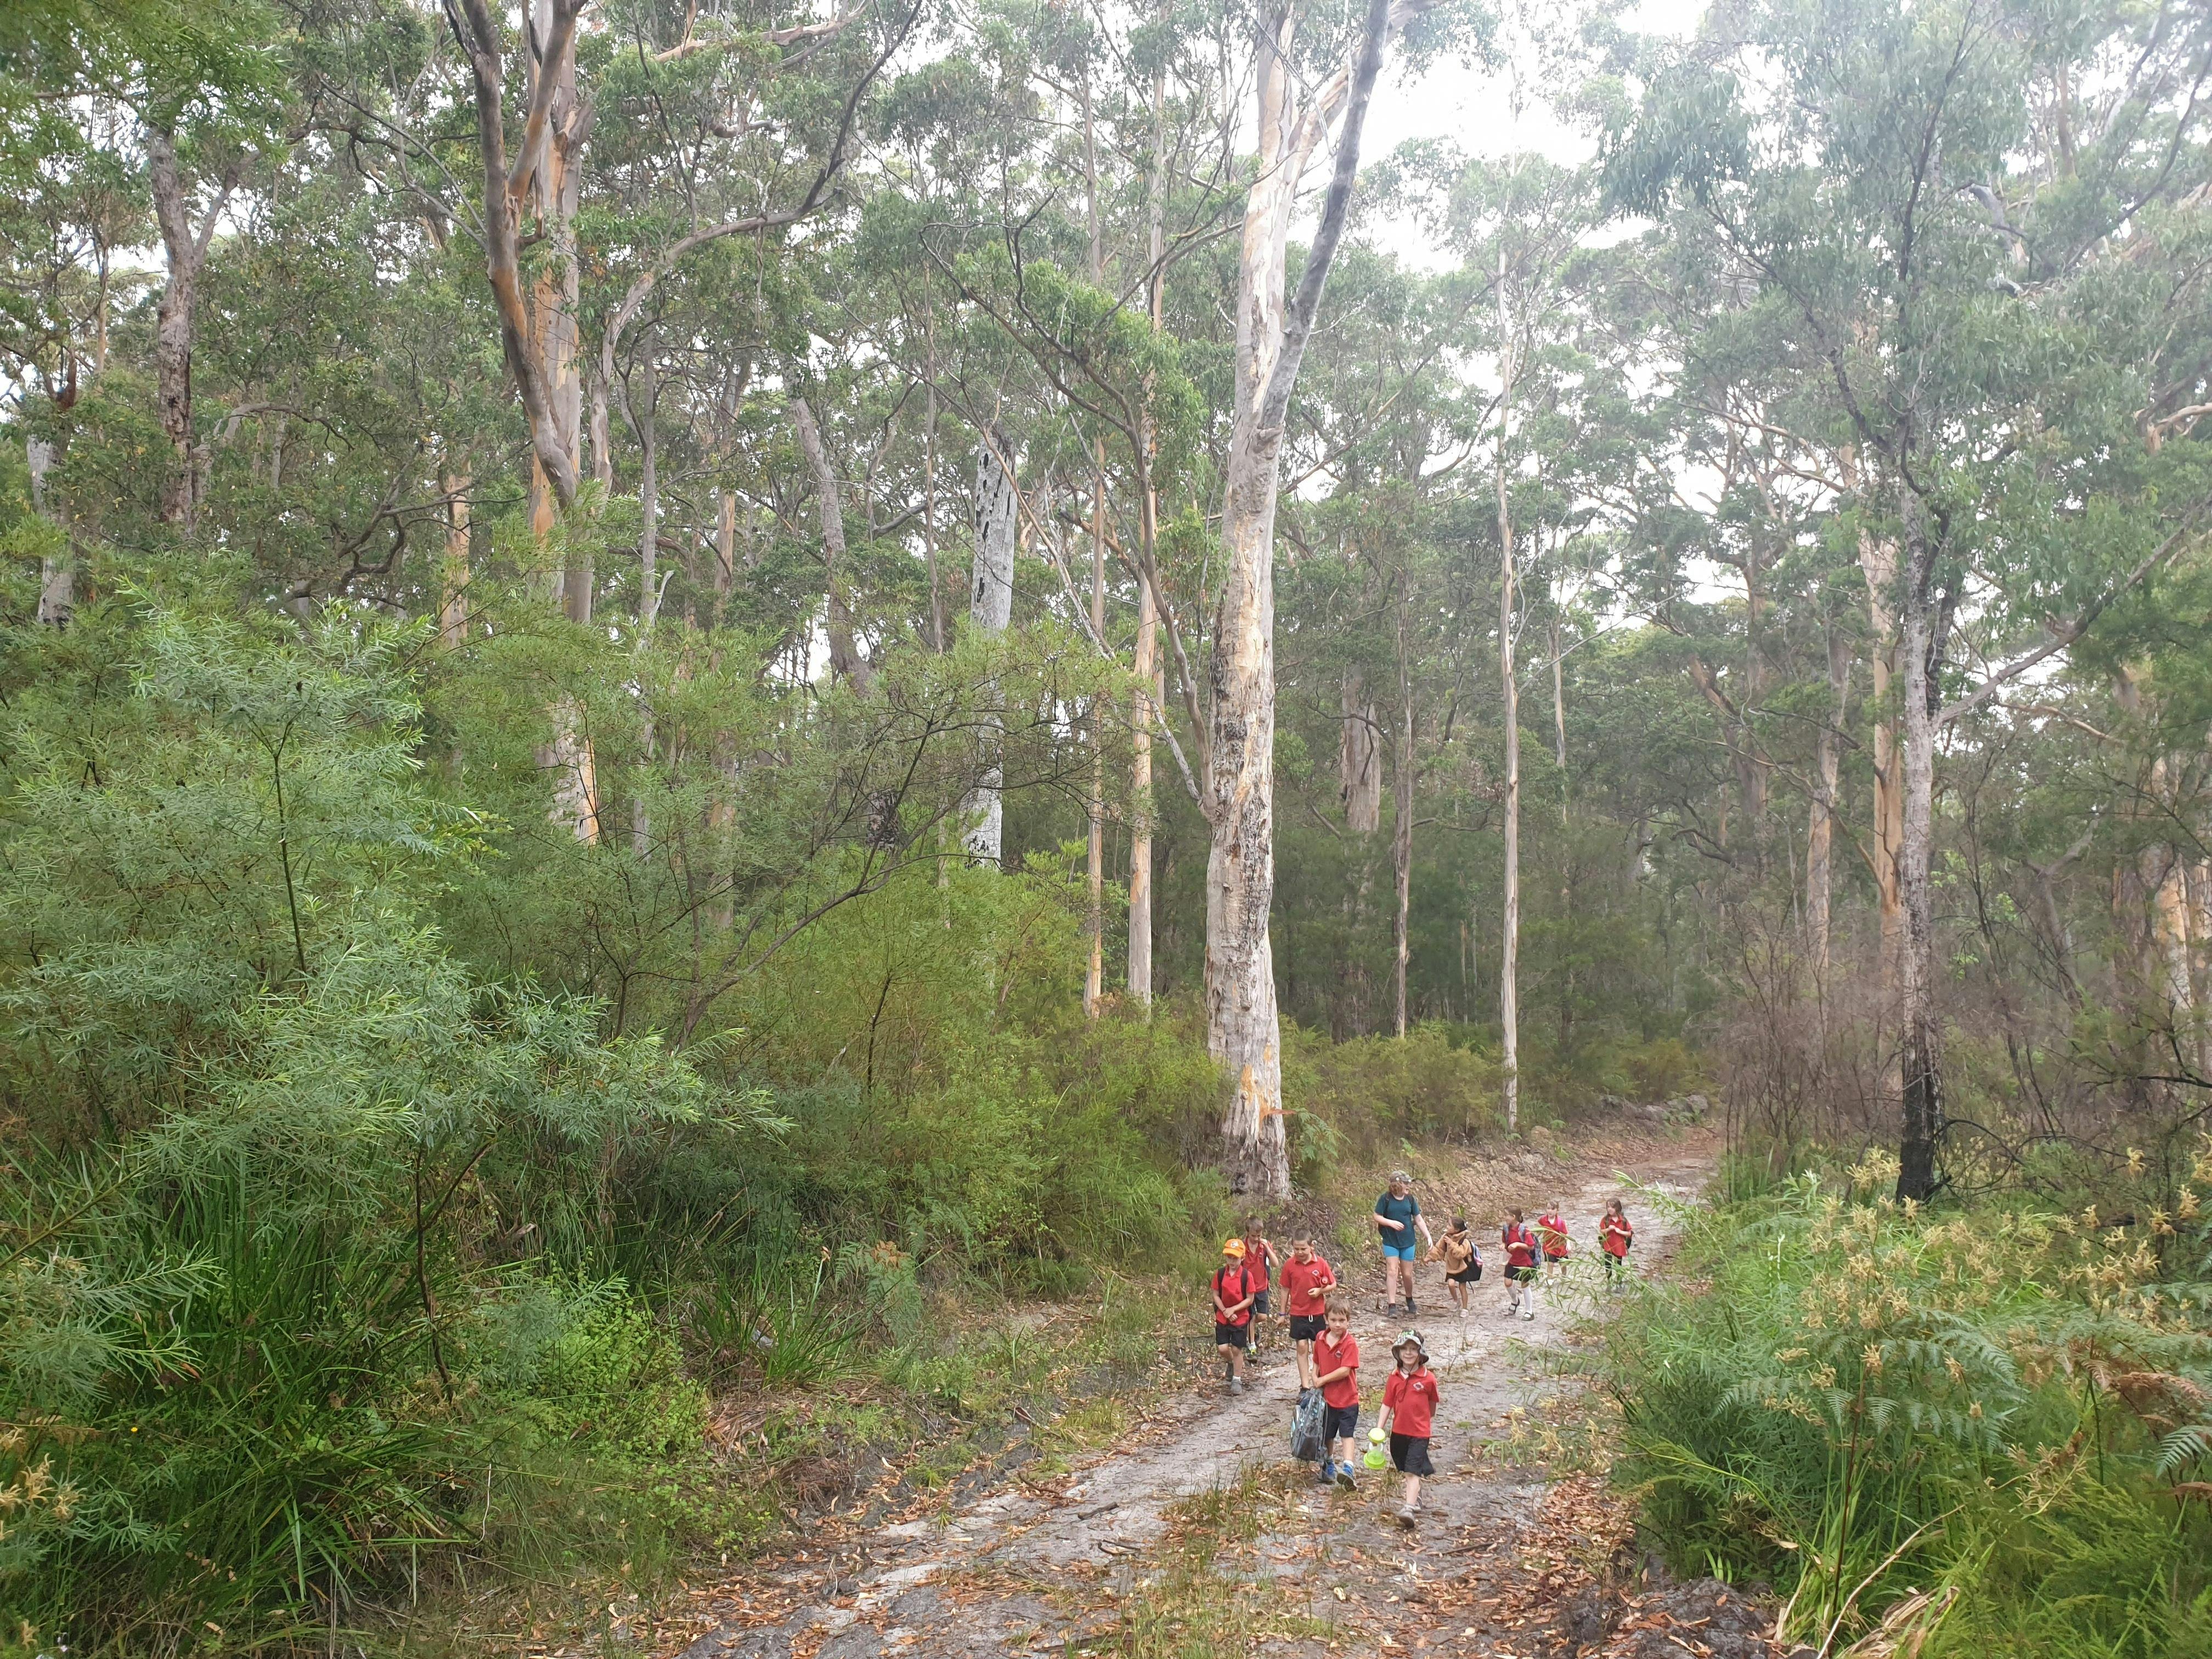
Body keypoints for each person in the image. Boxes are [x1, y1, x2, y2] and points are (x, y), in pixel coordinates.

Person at [1379, 1330, 1440, 1527]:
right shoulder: (1394, 1377)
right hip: (1398, 1433)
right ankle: (1417, 1494)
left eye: (1413, 1349)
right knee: (1405, 1467)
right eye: (1404, 1349)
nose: (1408, 1353)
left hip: (1420, 1433)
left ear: (1420, 1353)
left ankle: (1409, 1508)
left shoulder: (1428, 1379)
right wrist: (1379, 1429)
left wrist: (1423, 1422)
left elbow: (1432, 1406)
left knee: (1411, 1473)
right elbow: (1387, 1404)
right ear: (1398, 1352)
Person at [1309, 1300, 1362, 1488]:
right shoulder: (1321, 1339)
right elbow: (1316, 1360)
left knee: (1347, 1434)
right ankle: (1329, 1464)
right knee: (1328, 1434)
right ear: (1326, 1319)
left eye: (1342, 1320)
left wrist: (1322, 1380)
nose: (1338, 1324)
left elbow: (1345, 1371)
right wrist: (1314, 1375)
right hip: (1328, 1400)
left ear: (1348, 1321)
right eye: (1333, 1320)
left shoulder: (1350, 1343)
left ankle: (1348, 1467)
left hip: (1348, 1399)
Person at [1280, 1237, 1338, 1390]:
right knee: (1301, 1345)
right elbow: (1285, 1289)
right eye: (1296, 1249)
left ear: (1312, 1246)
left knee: (1318, 1347)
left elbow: (1333, 1284)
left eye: (1303, 1249)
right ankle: (1305, 1386)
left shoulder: (1320, 1263)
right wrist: (1282, 1313)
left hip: (1317, 1312)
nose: (1299, 1252)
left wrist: (1320, 1290)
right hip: (1298, 1312)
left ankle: (1319, 1381)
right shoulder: (1289, 1265)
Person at [1374, 1171, 1434, 1316]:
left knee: (1407, 1274)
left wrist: (1428, 1236)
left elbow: (1418, 1219)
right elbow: (1377, 1216)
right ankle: (1392, 1305)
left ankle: (1409, 1298)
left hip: (1408, 1241)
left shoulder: (1410, 1199)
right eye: (1406, 1183)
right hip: (1391, 1241)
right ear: (1397, 1184)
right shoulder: (1386, 1199)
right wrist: (1391, 1223)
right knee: (1392, 1271)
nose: (1409, 1186)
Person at [1211, 1238, 1259, 1393]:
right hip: (1223, 1316)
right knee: (1223, 1348)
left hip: (1241, 1318)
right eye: (1229, 1257)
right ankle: (1232, 1363)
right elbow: (1216, 1295)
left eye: (1235, 1258)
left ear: (1242, 1258)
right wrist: (1226, 1310)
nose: (1232, 1261)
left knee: (1237, 1349)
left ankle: (1237, 1380)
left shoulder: (1247, 1276)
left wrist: (1234, 1310)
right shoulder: (1219, 1274)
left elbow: (1250, 1299)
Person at [1240, 1218, 1279, 1358]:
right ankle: (1252, 1346)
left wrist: (1267, 1247)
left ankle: (1250, 1329)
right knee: (1250, 1316)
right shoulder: (1242, 1246)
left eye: (1259, 1236)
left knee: (1262, 1316)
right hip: (1247, 1288)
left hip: (1262, 1286)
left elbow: (1275, 1264)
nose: (1256, 1239)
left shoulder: (1264, 1246)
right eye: (1253, 1236)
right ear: (1247, 1233)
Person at [1436, 1216, 1481, 1317]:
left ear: (1456, 1230)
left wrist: (1451, 1244)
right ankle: (1456, 1301)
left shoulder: (1464, 1241)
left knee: (1462, 1287)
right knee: (1451, 1284)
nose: (1447, 1227)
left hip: (1463, 1267)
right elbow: (1439, 1249)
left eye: (1449, 1225)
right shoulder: (1446, 1237)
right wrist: (1430, 1257)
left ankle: (1465, 1308)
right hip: (1451, 1267)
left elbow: (1460, 1254)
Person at [1500, 1209, 1540, 1321]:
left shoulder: (1525, 1230)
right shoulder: (1506, 1229)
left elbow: (1531, 1246)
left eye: (1506, 1215)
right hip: (1513, 1261)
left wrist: (1518, 1244)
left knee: (1525, 1285)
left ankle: (1529, 1311)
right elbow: (1505, 1241)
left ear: (1513, 1217)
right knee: (1507, 1282)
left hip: (1525, 1263)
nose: (1505, 1217)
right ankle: (1515, 1300)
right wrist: (1503, 1246)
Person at [1599, 1198, 1634, 1289]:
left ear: (1618, 1208)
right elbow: (1601, 1232)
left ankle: (1619, 1281)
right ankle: (1609, 1281)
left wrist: (1620, 1232)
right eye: (1608, 1207)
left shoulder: (1623, 1220)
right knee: (1608, 1264)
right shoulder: (1605, 1220)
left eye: (1612, 1207)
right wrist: (1608, 1229)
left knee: (1619, 1264)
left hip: (1619, 1246)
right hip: (1608, 1246)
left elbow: (1630, 1233)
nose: (1609, 1209)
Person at [1536, 1201, 1571, 1289]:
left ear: (1557, 1210)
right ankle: (1550, 1279)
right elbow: (1540, 1229)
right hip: (1548, 1246)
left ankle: (1564, 1276)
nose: (1550, 1211)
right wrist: (1535, 1238)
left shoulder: (1560, 1222)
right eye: (1548, 1208)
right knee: (1550, 1263)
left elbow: (1565, 1234)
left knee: (1563, 1264)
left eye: (1553, 1209)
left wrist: (1568, 1244)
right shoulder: (1543, 1220)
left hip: (1560, 1247)